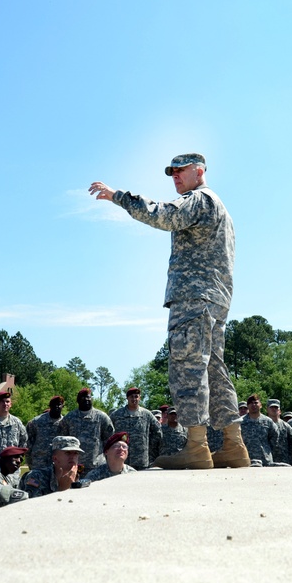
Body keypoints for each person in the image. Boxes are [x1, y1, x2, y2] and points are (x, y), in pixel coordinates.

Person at [90, 153, 246, 470]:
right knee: (214, 369)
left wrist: (117, 196)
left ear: (199, 171)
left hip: (194, 297)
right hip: (216, 299)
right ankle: (233, 445)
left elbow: (163, 215)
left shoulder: (199, 200)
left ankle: (197, 447)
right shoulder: (221, 208)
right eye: (171, 172)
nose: (175, 177)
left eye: (181, 171)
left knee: (188, 367)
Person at [60, 387, 114, 472]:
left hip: (97, 466)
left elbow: (109, 440)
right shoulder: (69, 418)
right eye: (83, 397)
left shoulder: (102, 417)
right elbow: (63, 440)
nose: (86, 399)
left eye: (88, 397)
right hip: (74, 465)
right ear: (78, 400)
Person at [109, 387, 162, 470]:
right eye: (131, 397)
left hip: (141, 459)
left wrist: (148, 445)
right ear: (127, 398)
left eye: (136, 396)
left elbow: (158, 431)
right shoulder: (117, 414)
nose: (134, 399)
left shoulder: (147, 414)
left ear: (139, 398)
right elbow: (108, 433)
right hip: (122, 458)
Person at [23, 436, 90, 498]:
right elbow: (33, 506)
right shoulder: (37, 476)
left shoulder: (81, 476)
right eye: (68, 453)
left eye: (76, 453)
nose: (73, 457)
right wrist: (62, 490)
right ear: (55, 458)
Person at [26, 395, 66, 471]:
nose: (57, 407)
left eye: (59, 404)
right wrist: (30, 462)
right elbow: (28, 444)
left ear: (62, 406)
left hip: (58, 463)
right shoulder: (36, 422)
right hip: (39, 463)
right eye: (54, 404)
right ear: (50, 406)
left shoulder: (65, 423)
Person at [240, 395, 278, 466]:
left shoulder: (268, 421)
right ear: (247, 406)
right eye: (251, 403)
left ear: (260, 405)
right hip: (247, 459)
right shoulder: (241, 422)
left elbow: (275, 437)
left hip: (265, 460)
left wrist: (267, 450)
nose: (253, 405)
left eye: (256, 403)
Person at [266, 399, 292, 465]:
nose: (274, 409)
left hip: (283, 460)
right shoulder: (263, 424)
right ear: (267, 409)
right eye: (271, 407)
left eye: (276, 407)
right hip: (267, 460)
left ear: (279, 411)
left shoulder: (285, 425)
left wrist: (289, 455)